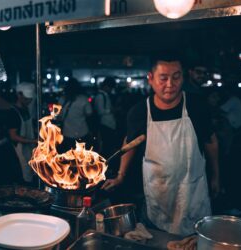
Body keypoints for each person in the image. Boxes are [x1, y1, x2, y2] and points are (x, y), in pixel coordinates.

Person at [102, 52, 220, 236]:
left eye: (176, 77)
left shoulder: (197, 106)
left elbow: (211, 142)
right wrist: (120, 175)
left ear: (183, 76)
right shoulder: (139, 111)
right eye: (163, 78)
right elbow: (130, 143)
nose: (170, 85)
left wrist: (215, 176)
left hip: (193, 193)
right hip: (158, 195)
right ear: (150, 78)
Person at [8, 83, 37, 184]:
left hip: (30, 149)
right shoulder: (13, 113)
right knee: (24, 180)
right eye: (26, 99)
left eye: (30, 99)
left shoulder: (26, 109)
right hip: (19, 150)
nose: (29, 101)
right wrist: (33, 140)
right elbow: (13, 136)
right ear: (19, 95)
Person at [57, 77, 93, 152]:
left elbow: (59, 116)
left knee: (68, 158)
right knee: (82, 158)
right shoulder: (83, 99)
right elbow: (89, 114)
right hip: (82, 132)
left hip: (67, 133)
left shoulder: (62, 100)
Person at [94, 77, 117, 158]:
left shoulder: (104, 95)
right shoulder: (100, 96)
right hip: (105, 124)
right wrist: (111, 111)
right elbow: (100, 111)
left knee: (108, 146)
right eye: (110, 88)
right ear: (106, 86)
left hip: (108, 124)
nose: (111, 90)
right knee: (107, 147)